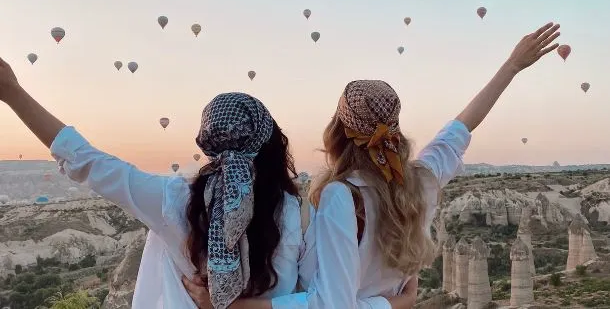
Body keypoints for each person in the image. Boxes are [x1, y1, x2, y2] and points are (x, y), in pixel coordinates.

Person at [182, 21, 561, 309]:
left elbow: (332, 304)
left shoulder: (341, 197)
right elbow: (461, 126)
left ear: (338, 129)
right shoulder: (422, 180)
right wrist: (511, 66)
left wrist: (235, 305)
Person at [0, 70, 401, 309]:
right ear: (274, 142)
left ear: (207, 143)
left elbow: (86, 160)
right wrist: (394, 299)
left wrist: (13, 93)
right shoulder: (299, 210)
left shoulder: (174, 201)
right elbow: (320, 298)